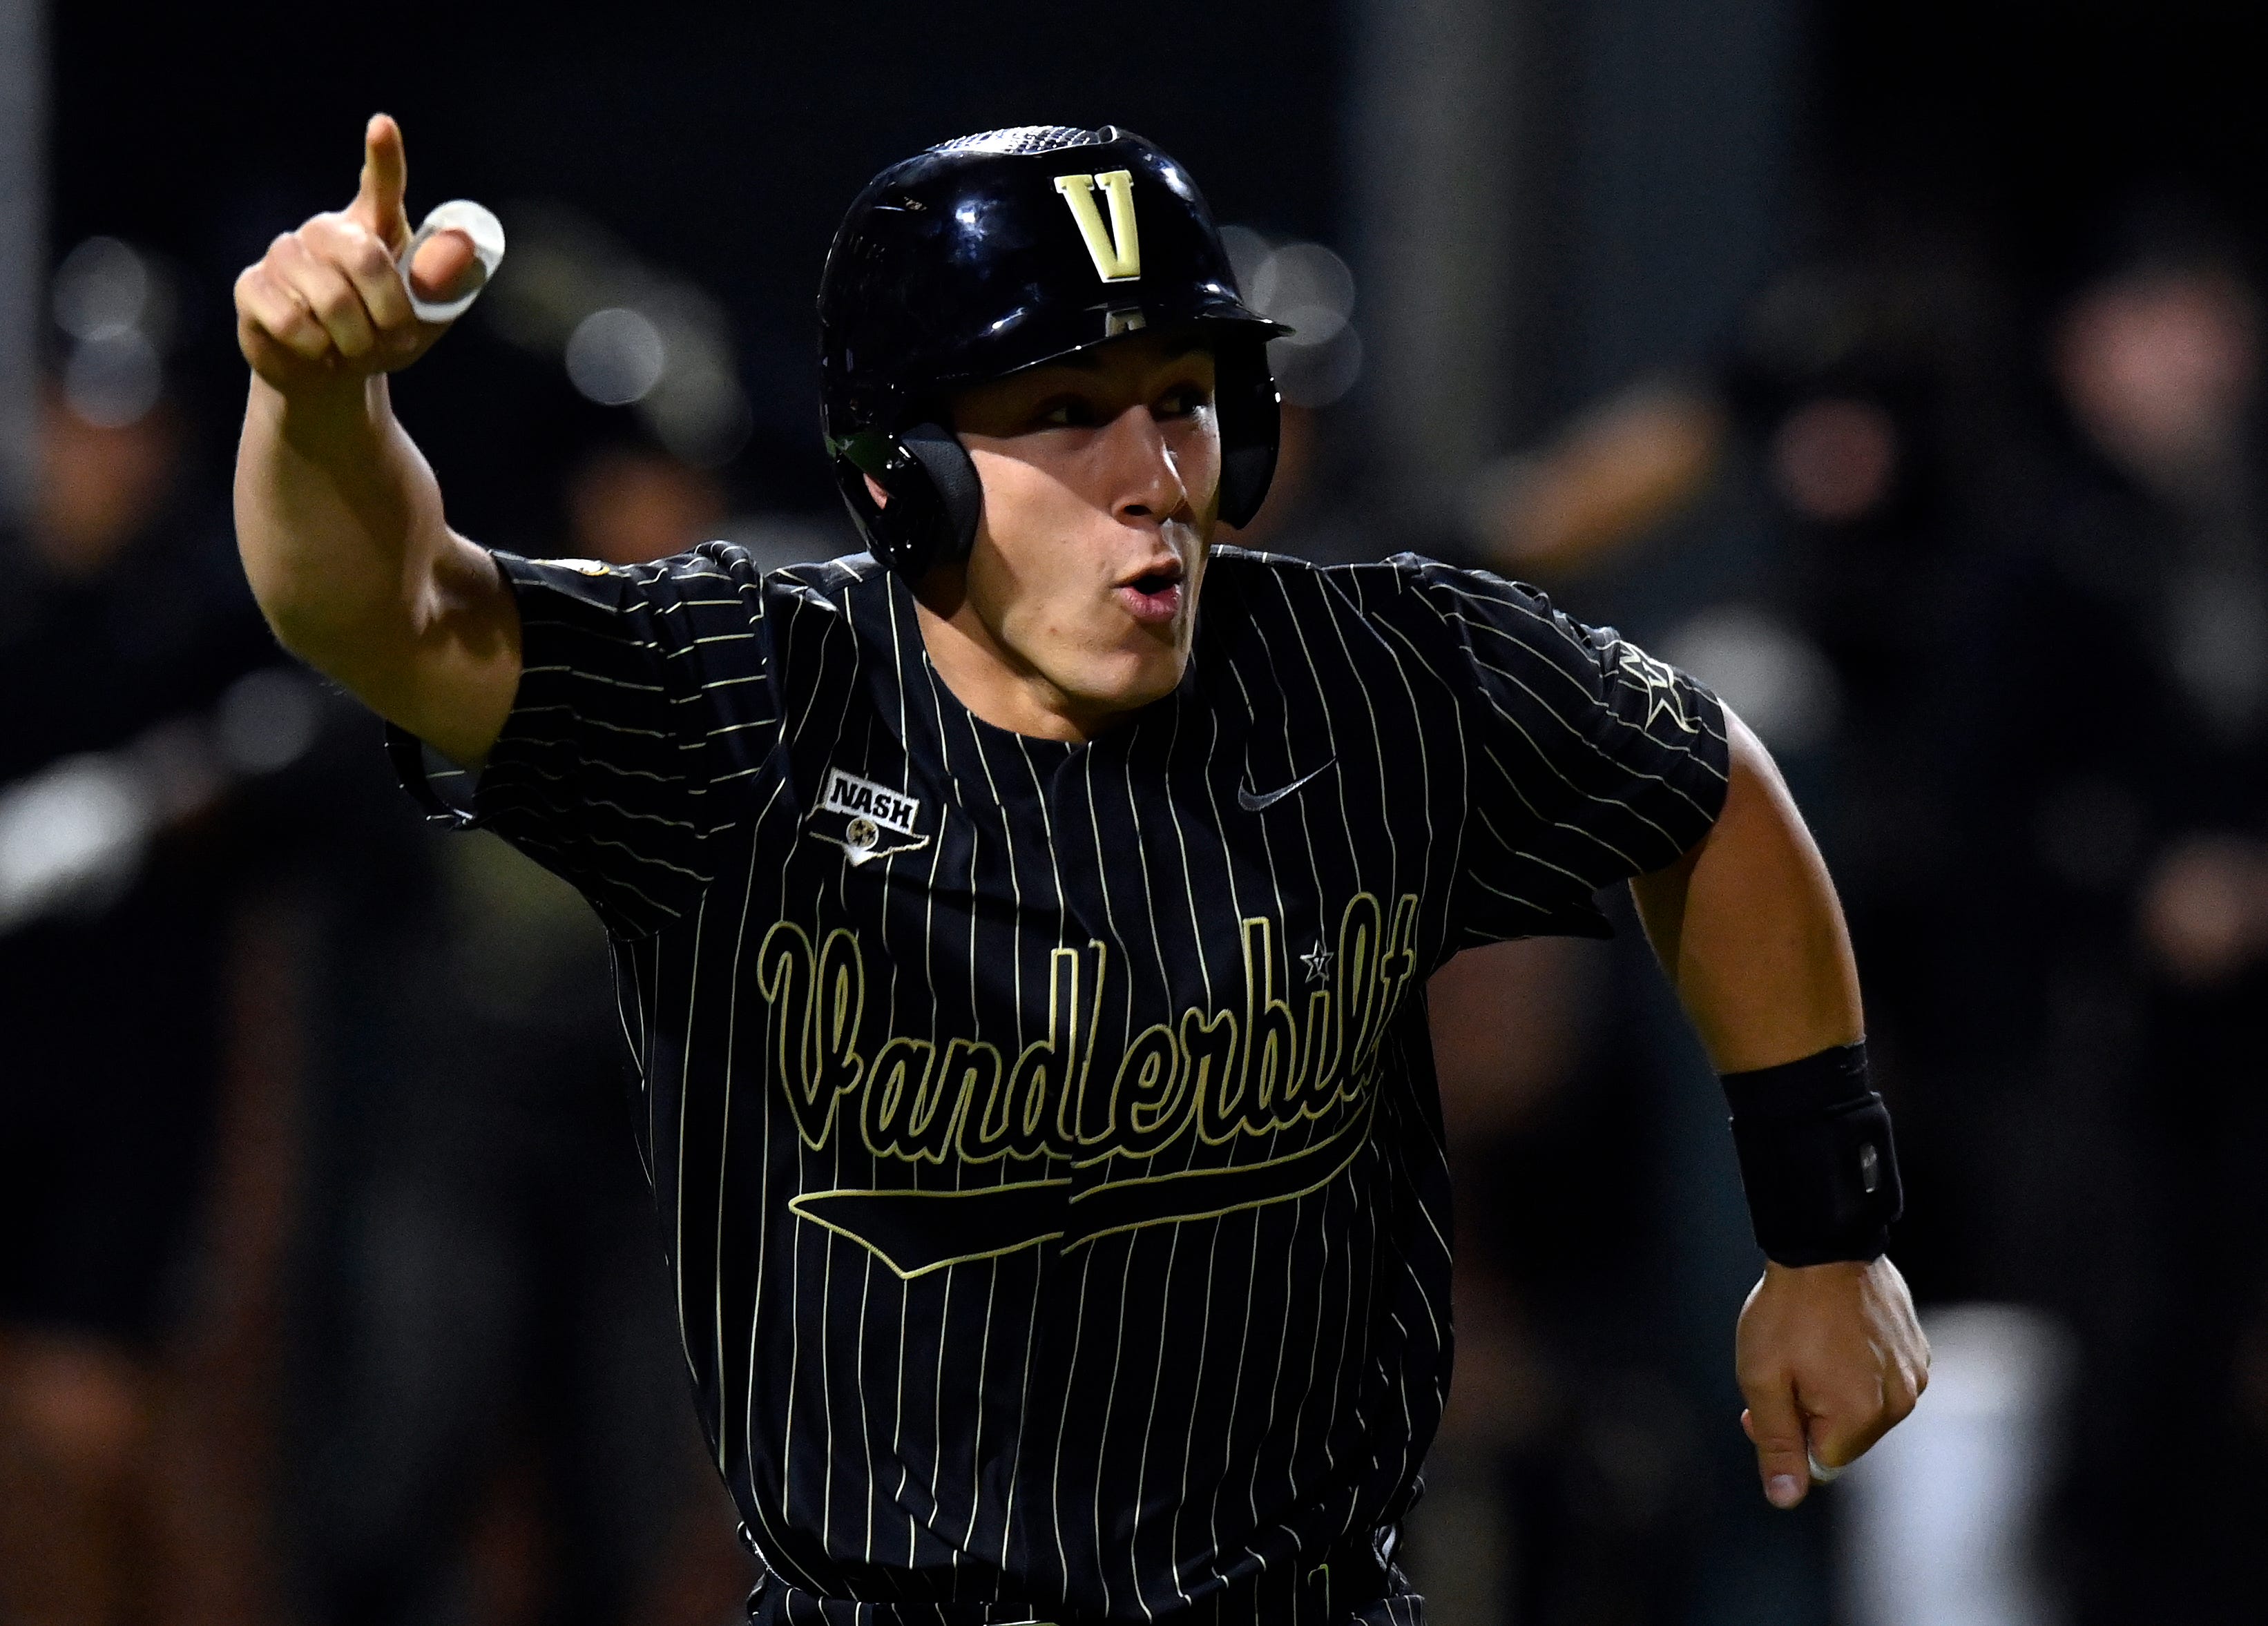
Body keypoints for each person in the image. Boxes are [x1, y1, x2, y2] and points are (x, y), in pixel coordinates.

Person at [231, 115, 1927, 1624]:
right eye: (1062, 413)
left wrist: (1826, 1231)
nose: (1156, 481)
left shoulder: (1377, 675)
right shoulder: (750, 693)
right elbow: (383, 603)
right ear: (905, 473)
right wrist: (314, 400)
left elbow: (1705, 784)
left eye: (1183, 403)